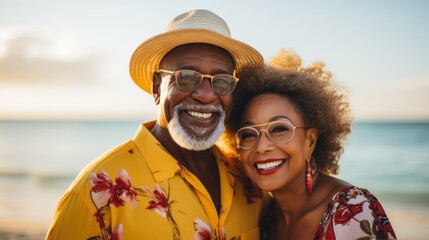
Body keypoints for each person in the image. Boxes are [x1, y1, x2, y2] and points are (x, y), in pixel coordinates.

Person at [45, 9, 267, 240]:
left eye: (221, 82)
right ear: (156, 87)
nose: (206, 95)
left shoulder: (248, 181)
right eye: (187, 77)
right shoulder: (96, 190)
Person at [222, 52, 397, 239]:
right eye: (249, 134)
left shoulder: (353, 212)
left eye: (279, 129)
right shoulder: (266, 217)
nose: (262, 146)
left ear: (310, 141)